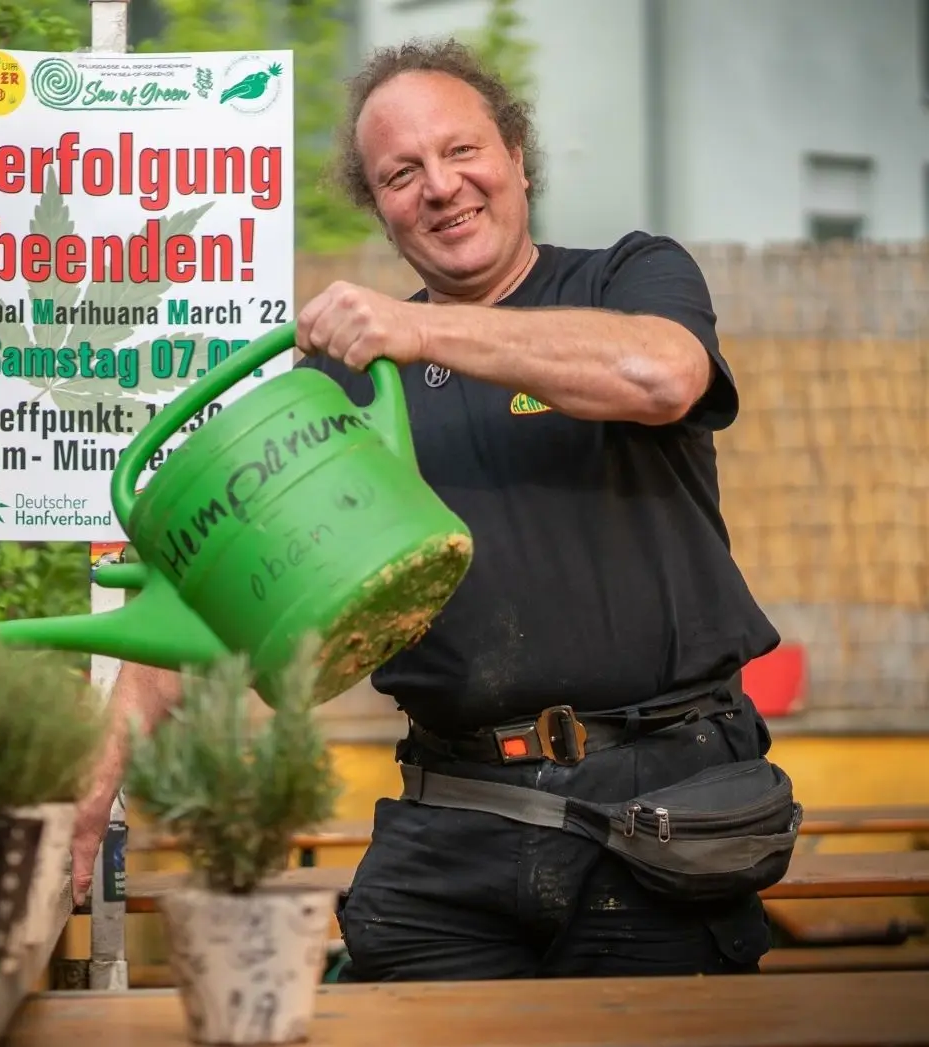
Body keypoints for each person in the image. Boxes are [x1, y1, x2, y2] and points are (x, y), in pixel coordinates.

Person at [70, 38, 783, 981]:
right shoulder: (342, 388)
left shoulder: (627, 277)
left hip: (659, 803)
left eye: (462, 151)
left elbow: (661, 375)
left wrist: (419, 327)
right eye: (401, 174)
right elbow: (222, 600)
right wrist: (85, 788)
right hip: (453, 814)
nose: (440, 187)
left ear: (517, 158)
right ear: (382, 212)